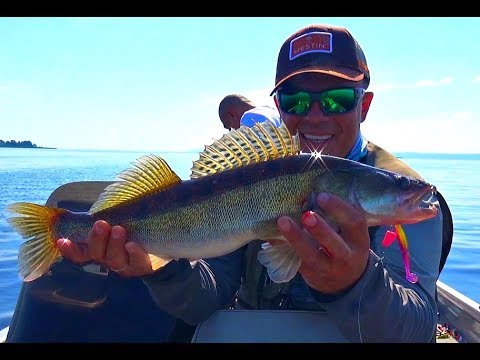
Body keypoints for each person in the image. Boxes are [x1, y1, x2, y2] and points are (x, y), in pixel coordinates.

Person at [56, 23, 453, 343]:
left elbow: (417, 331)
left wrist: (354, 283)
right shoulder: (252, 178)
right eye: (296, 101)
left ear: (363, 105)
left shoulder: (414, 205)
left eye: (335, 99)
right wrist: (161, 270)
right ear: (279, 107)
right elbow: (204, 299)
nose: (315, 116)